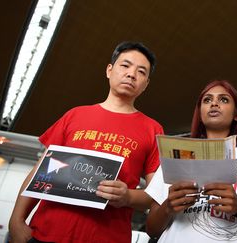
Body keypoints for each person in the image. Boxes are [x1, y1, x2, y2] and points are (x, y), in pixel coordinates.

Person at [8, 41, 164, 243]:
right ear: (109, 70)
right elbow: (41, 171)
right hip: (46, 233)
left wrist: (128, 197)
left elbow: (155, 195)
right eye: (125, 65)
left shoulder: (152, 129)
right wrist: (16, 220)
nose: (131, 74)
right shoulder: (75, 115)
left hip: (106, 237)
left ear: (146, 84)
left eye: (141, 71)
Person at [145, 80, 237, 242]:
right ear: (200, 113)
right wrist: (168, 207)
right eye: (207, 100)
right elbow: (151, 230)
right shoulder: (174, 154)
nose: (214, 103)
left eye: (223, 99)